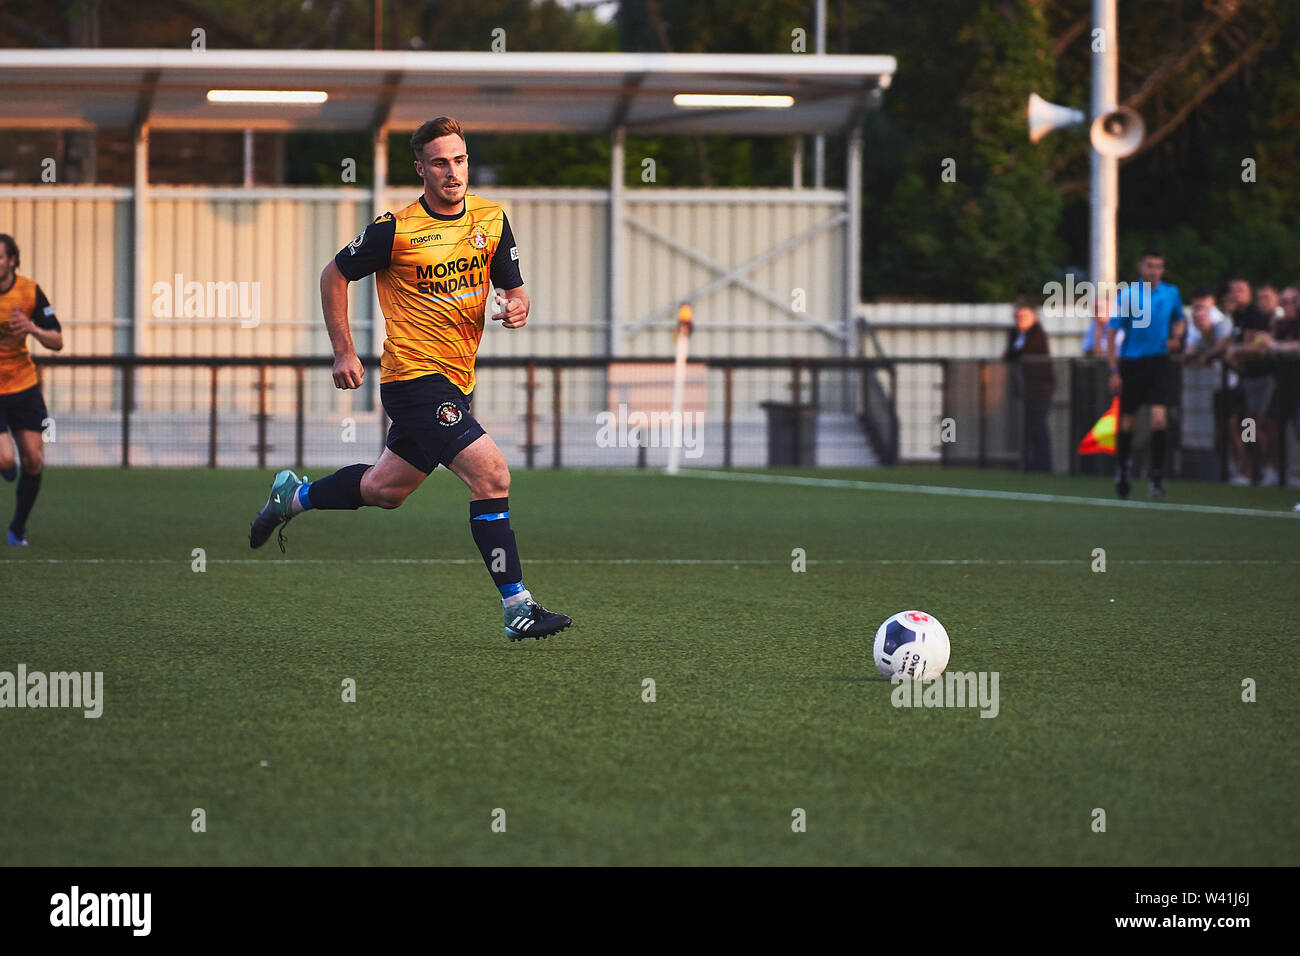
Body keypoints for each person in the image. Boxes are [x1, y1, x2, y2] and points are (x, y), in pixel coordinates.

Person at [246, 116, 571, 642]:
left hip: (458, 382)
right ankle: (519, 608)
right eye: (440, 162)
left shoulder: (493, 220)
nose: (452, 172)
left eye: (460, 160)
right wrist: (344, 351)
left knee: (384, 490)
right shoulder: (394, 229)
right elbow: (333, 275)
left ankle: (293, 496)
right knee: (491, 475)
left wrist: (516, 307)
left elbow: (516, 289)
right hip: (413, 380)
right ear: (420, 169)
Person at [0, 234, 63, 545]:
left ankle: (17, 529)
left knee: (34, 459)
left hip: (23, 385)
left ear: (12, 260)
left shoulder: (29, 291)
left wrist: (32, 328)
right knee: (4, 459)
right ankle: (5, 465)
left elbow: (58, 341)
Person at [1106, 250, 1185, 498]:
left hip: (1159, 362)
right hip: (1133, 363)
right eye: (1150, 266)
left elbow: (1179, 320)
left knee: (1159, 419)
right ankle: (1123, 468)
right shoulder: (1129, 294)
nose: (1154, 271)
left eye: (1159, 266)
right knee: (1128, 421)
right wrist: (1113, 370)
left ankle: (1156, 475)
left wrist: (1176, 337)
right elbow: (1111, 333)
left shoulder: (1171, 293)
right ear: (1141, 267)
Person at [1184, 286, 1247, 483]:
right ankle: (1232, 469)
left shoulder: (1223, 329)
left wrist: (1209, 355)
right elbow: (1189, 355)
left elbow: (1225, 350)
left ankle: (1248, 469)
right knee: (1223, 430)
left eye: (1203, 317)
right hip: (1220, 389)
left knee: (1245, 429)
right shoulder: (1203, 339)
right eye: (1197, 319)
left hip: (1238, 388)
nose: (1200, 322)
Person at [1223, 279, 1279, 484]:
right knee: (1247, 424)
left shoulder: (1256, 315)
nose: (1236, 294)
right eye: (1233, 291)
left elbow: (1258, 346)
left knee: (1261, 424)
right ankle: (1251, 467)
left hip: (1263, 378)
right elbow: (1233, 340)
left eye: (1241, 290)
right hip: (1248, 378)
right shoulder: (1239, 316)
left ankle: (1269, 468)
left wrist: (1237, 351)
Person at [1003, 300, 1054, 471]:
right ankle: (1027, 463)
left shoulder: (1037, 334)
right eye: (1018, 316)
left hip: (1040, 389)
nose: (1020, 320)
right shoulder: (1014, 333)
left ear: (1033, 317)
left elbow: (1023, 353)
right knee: (1025, 426)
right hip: (1022, 388)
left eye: (1024, 316)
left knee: (1038, 426)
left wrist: (1016, 352)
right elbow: (1009, 354)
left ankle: (1043, 465)